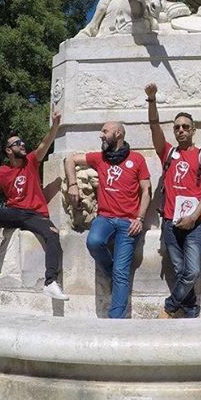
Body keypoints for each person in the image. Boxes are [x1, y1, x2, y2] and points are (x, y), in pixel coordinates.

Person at [0, 112, 69, 301]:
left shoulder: (31, 161)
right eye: (17, 143)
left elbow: (44, 145)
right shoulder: (3, 172)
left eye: (22, 142)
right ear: (8, 150)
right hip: (13, 212)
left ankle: (50, 283)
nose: (22, 144)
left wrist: (55, 125)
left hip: (35, 214)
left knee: (53, 234)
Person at [65, 121, 151, 318]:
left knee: (122, 272)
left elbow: (147, 190)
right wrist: (72, 184)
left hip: (129, 222)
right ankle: (112, 273)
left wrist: (140, 218)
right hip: (105, 218)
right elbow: (70, 160)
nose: (101, 135)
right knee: (94, 242)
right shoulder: (100, 158)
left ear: (118, 133)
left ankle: (116, 320)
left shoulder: (136, 159)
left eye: (105, 131)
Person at [145, 82, 201, 318]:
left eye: (186, 126)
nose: (181, 130)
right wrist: (152, 100)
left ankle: (169, 307)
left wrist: (194, 217)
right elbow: (154, 126)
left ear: (193, 130)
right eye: (177, 127)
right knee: (178, 270)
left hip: (195, 223)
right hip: (169, 221)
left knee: (192, 270)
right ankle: (191, 309)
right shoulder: (168, 152)